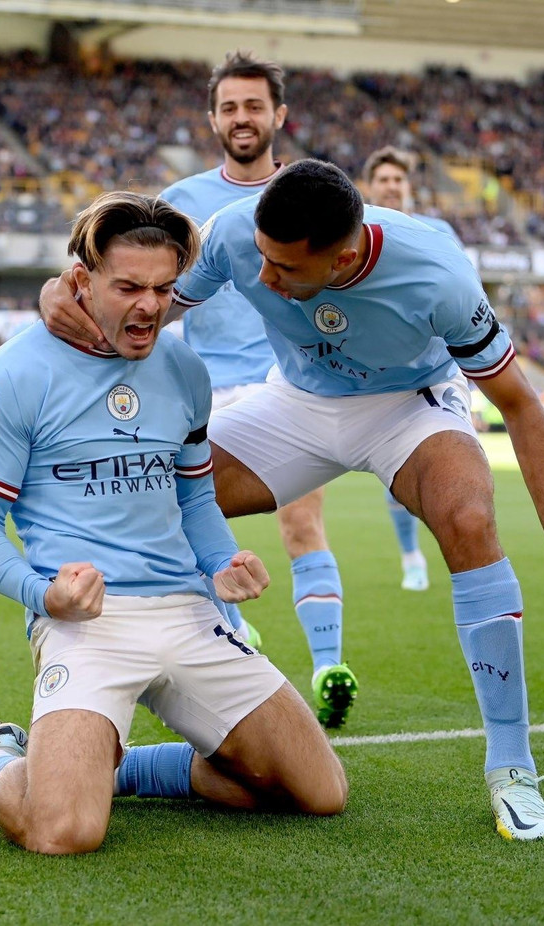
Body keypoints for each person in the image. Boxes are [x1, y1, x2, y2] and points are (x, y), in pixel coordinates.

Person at [40, 160, 544, 841]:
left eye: (284, 267)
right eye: (261, 256)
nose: (263, 278)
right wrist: (63, 295)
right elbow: (146, 307)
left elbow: (519, 404)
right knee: (156, 491)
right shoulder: (235, 233)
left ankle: (513, 768)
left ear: (342, 258)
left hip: (408, 406)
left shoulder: (437, 274)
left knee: (468, 518)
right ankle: (108, 714)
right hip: (297, 402)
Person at [0, 191, 347, 855]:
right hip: (86, 623)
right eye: (128, 287)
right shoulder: (13, 374)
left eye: (162, 288)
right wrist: (45, 595)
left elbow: (194, 500)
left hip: (188, 612)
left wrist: (222, 561)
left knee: (317, 791)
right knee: (63, 831)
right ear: (81, 280)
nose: (150, 306)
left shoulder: (184, 369)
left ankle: (112, 773)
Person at [158, 50, 355, 728]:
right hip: (202, 391)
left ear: (279, 115)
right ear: (213, 119)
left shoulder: (313, 196)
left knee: (301, 523)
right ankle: (236, 635)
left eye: (254, 105)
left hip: (288, 387)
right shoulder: (181, 203)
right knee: (186, 523)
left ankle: (328, 664)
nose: (242, 117)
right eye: (229, 107)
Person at [361, 145, 466, 593]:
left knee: (455, 469)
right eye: (383, 180)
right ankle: (411, 556)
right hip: (379, 371)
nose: (391, 186)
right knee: (396, 475)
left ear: (409, 187)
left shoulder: (437, 232)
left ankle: (460, 556)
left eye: (398, 180)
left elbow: (463, 289)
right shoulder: (355, 233)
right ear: (368, 187)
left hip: (437, 369)